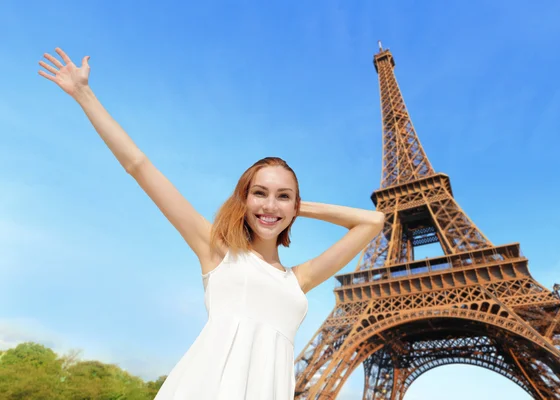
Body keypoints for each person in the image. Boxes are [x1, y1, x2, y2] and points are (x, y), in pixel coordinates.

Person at [38, 47, 385, 400]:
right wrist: (84, 95)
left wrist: (296, 207)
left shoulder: (300, 279)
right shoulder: (217, 250)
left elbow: (373, 221)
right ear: (243, 199)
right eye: (259, 193)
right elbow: (138, 165)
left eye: (282, 195)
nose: (269, 205)